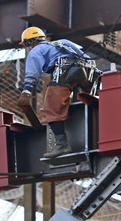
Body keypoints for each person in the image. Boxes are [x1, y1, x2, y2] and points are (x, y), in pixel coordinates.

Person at [17, 27, 93, 159]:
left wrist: (26, 92)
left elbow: (32, 73)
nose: (27, 48)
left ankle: (62, 144)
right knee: (91, 99)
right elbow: (87, 59)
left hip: (65, 73)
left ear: (30, 42)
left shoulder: (36, 51)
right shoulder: (63, 42)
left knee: (51, 108)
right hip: (86, 73)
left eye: (26, 45)